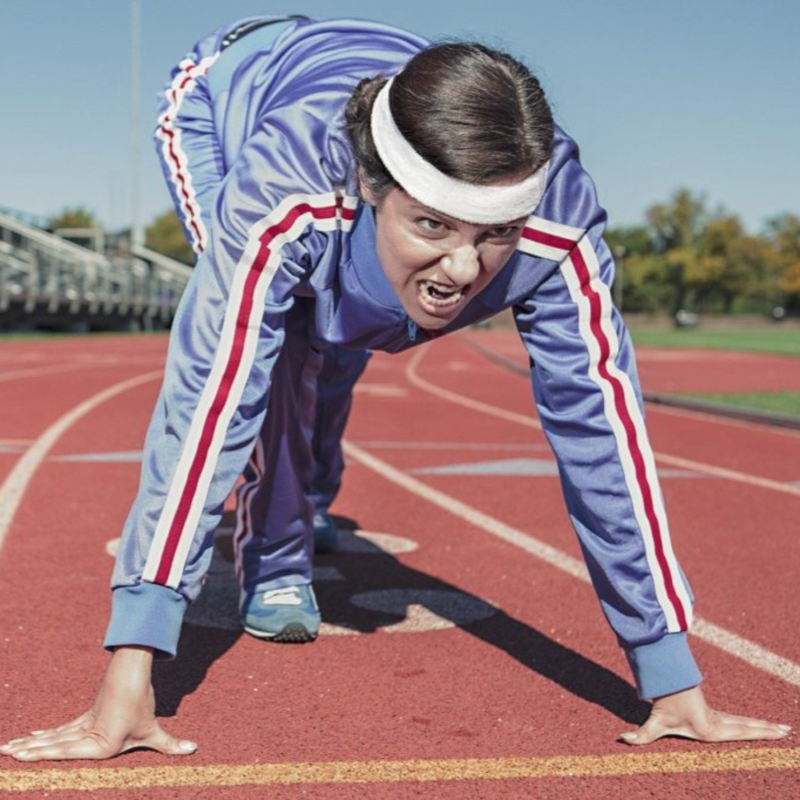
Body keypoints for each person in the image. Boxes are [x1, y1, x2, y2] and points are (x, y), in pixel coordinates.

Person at [1, 15, 790, 761]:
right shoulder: (286, 188)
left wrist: (671, 674)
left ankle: (311, 490)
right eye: (434, 227)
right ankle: (276, 556)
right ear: (376, 187)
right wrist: (132, 671)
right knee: (278, 345)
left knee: (349, 330)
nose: (463, 270)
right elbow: (209, 401)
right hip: (226, 93)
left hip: (381, 94)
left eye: (495, 236)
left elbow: (604, 436)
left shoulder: (559, 225)